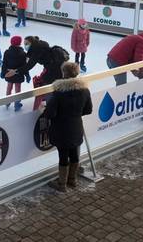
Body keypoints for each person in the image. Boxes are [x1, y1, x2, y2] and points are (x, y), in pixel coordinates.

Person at [44, 62, 92, 192]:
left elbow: (50, 113)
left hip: (61, 129)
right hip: (76, 127)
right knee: (74, 153)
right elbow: (88, 110)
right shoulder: (84, 90)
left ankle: (62, 184)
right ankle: (72, 180)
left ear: (64, 73)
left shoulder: (59, 93)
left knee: (63, 155)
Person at [6, 36, 69, 110]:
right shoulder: (38, 44)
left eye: (26, 43)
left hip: (54, 68)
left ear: (32, 43)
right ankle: (47, 97)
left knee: (46, 83)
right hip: (52, 66)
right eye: (24, 43)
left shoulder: (37, 50)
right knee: (45, 80)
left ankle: (50, 105)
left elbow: (30, 65)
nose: (25, 45)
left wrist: (15, 71)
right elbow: (30, 56)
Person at [1, 36, 30, 111]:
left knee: (9, 87)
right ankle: (17, 103)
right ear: (19, 43)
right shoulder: (23, 54)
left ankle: (7, 101)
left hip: (9, 73)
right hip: (18, 74)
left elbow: (4, 63)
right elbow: (25, 66)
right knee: (18, 88)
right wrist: (27, 75)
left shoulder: (7, 52)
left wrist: (3, 72)